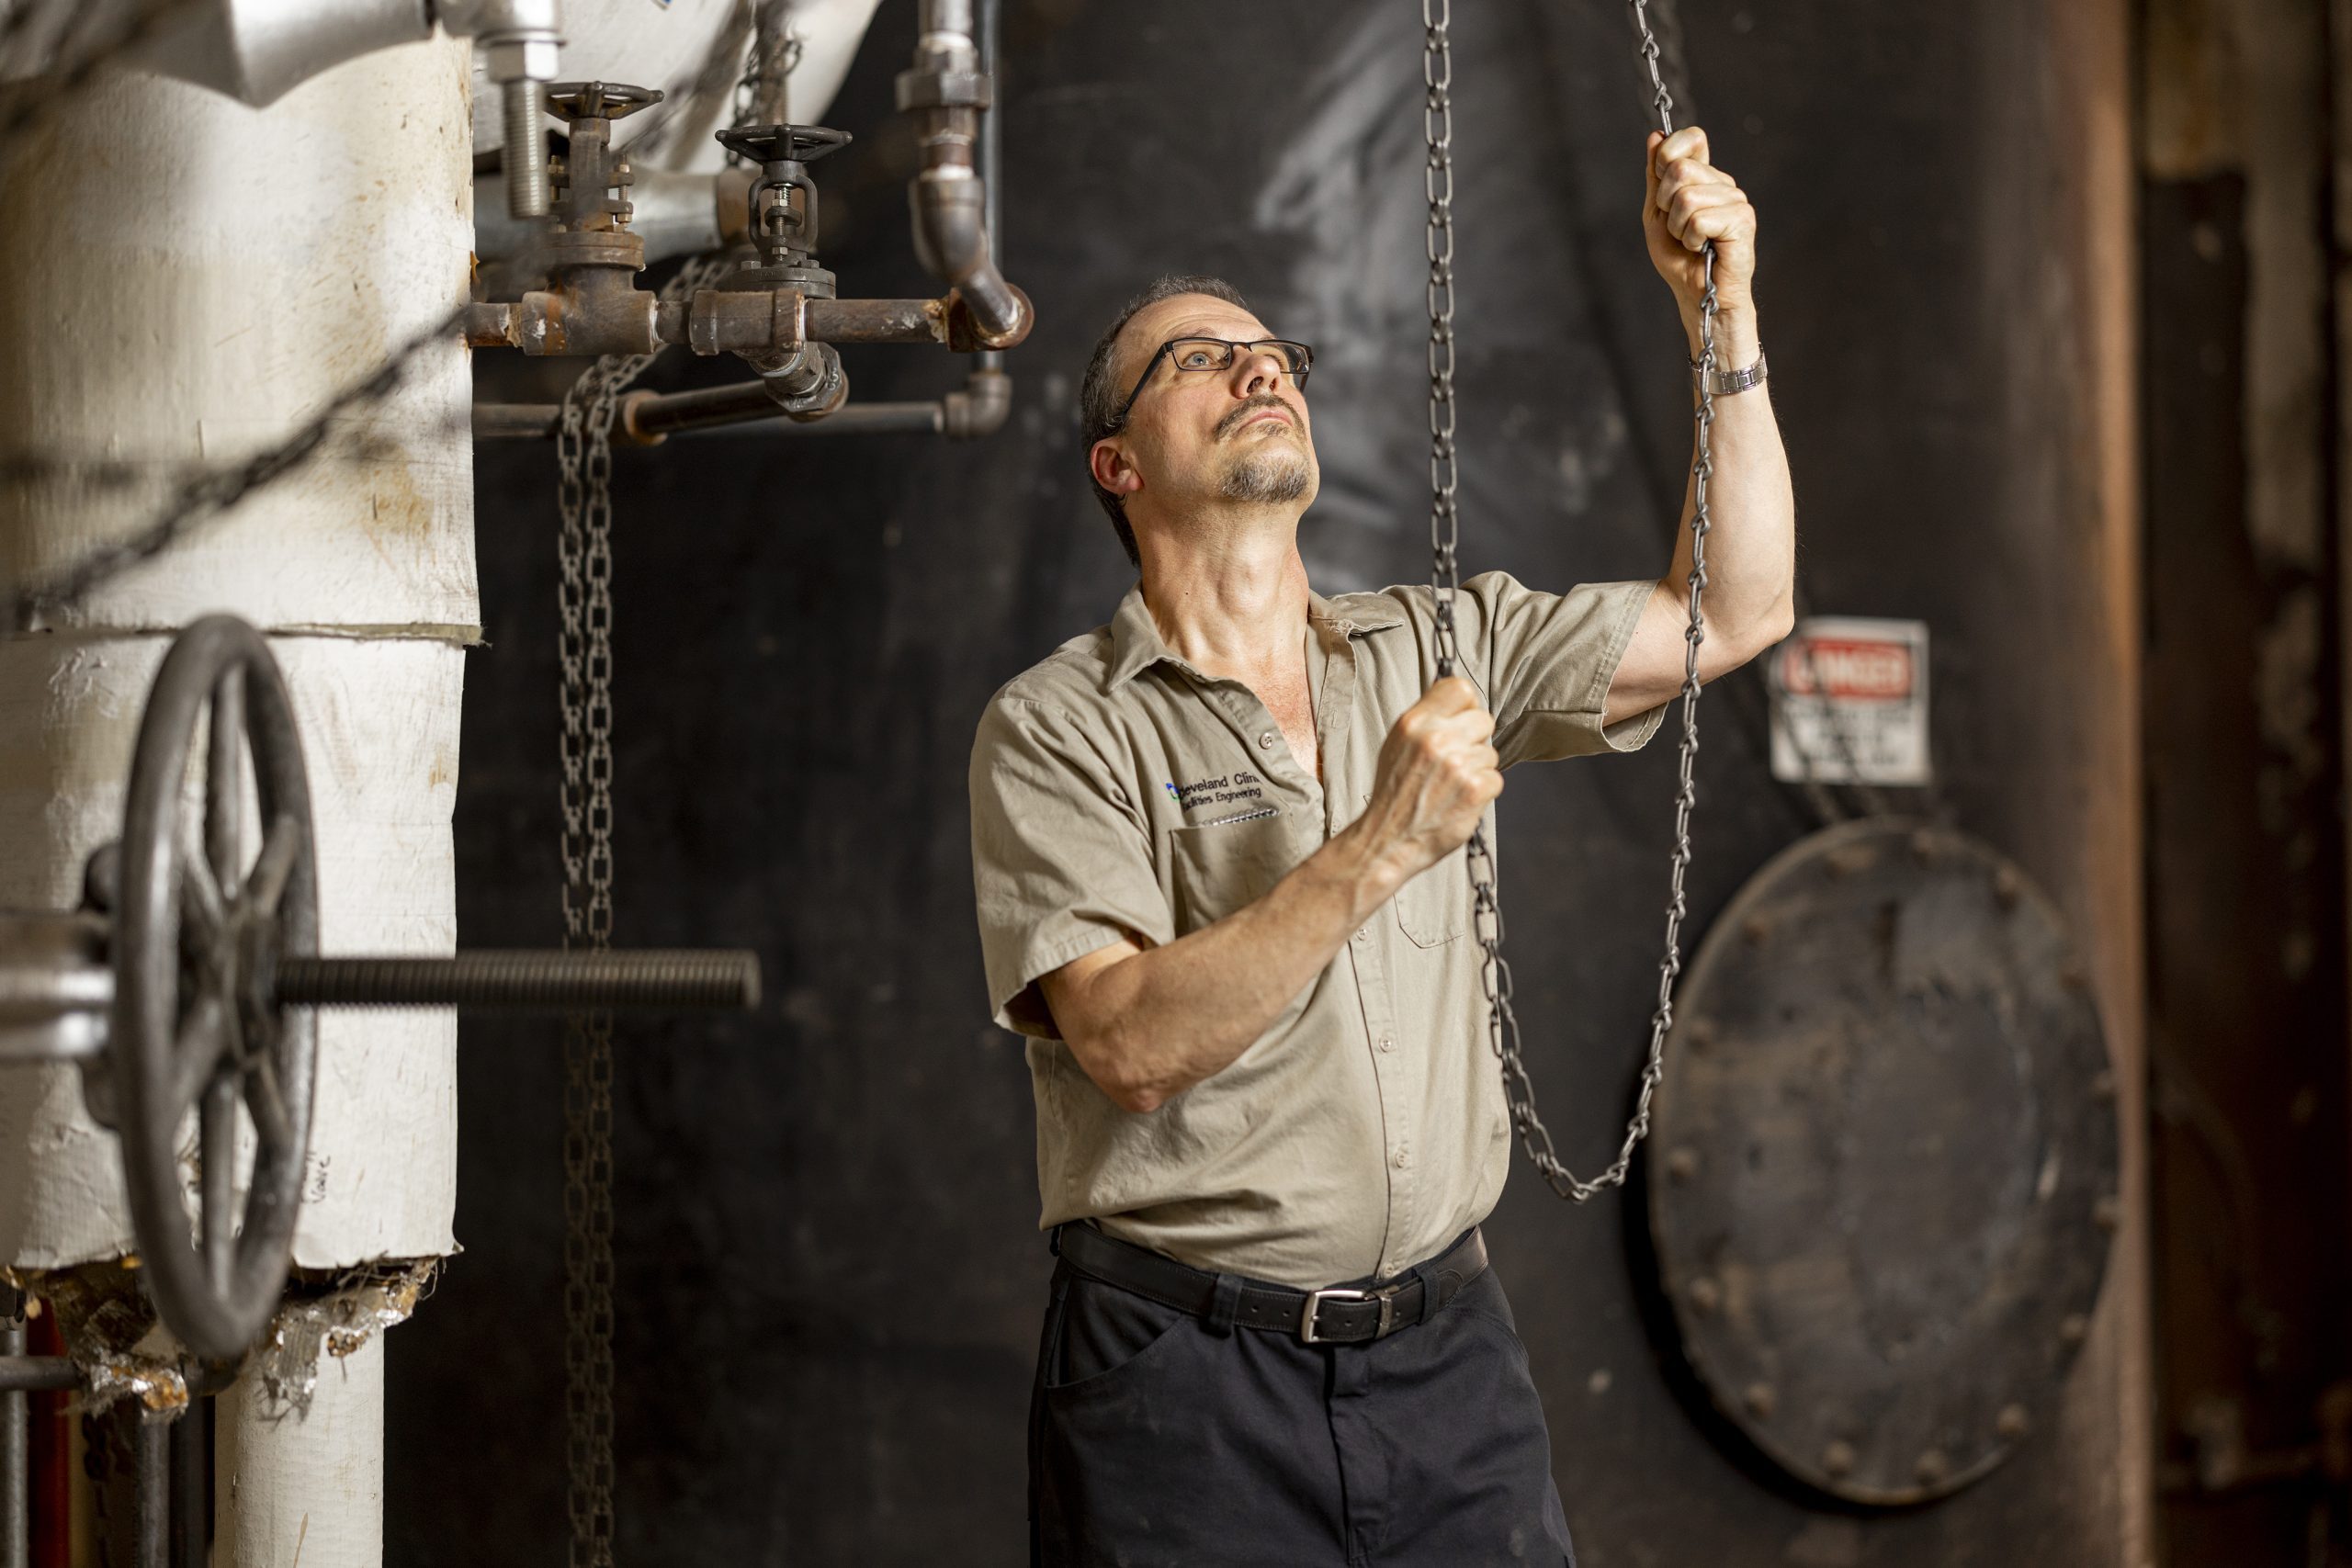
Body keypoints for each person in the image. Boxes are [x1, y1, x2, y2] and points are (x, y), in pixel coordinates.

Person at [967, 127, 1793, 1567]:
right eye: (1198, 361)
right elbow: (1127, 1047)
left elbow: (1734, 613)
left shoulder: (1432, 645)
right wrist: (1374, 850)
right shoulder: (1060, 727)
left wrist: (1721, 313)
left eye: (1270, 350)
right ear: (1119, 464)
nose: (1257, 366)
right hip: (1184, 1382)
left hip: (1445, 1364)